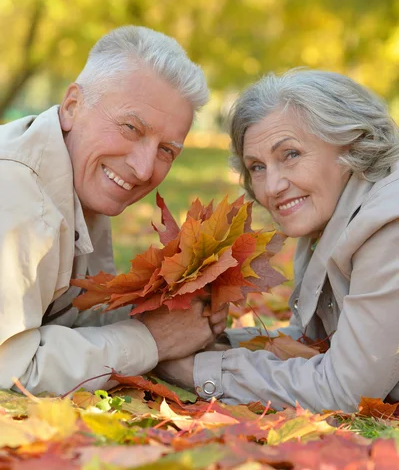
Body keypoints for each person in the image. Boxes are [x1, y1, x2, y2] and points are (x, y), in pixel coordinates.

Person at [0, 26, 227, 395]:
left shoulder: (77, 177)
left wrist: (171, 313)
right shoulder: (19, 197)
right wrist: (151, 339)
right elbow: (12, 370)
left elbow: (64, 316)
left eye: (167, 150)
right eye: (131, 127)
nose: (143, 168)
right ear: (72, 105)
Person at [157, 69, 399, 413]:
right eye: (257, 167)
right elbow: (316, 343)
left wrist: (192, 369)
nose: (272, 187)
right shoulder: (331, 214)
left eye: (291, 154)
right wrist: (206, 340)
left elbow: (345, 390)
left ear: (352, 145)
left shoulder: (388, 224)